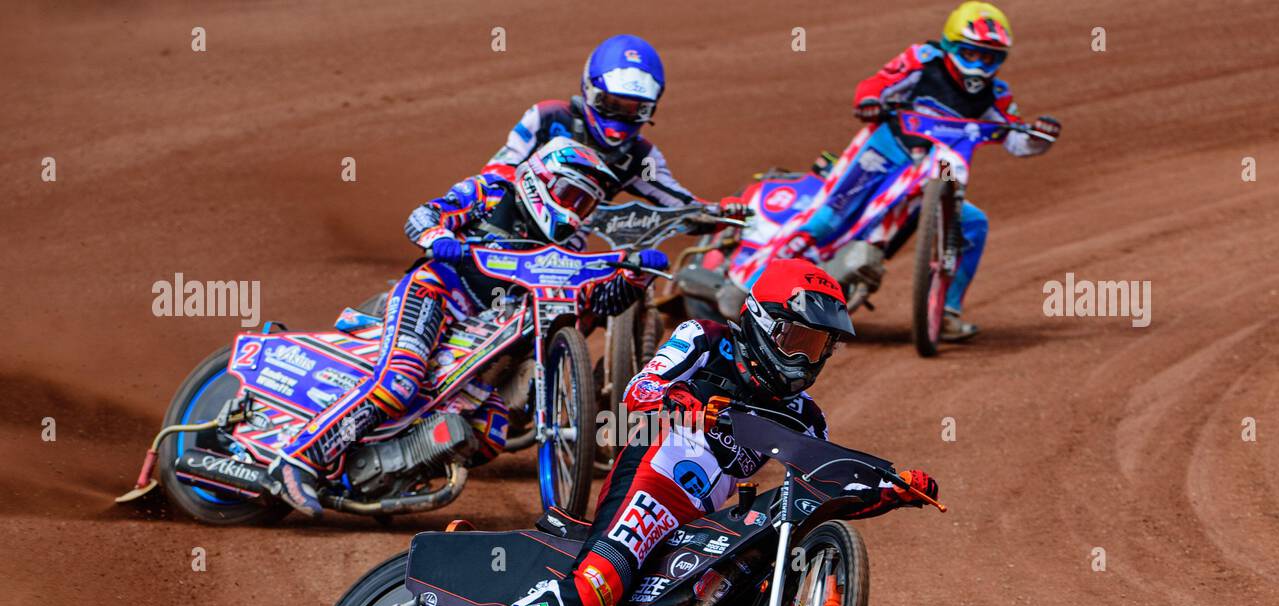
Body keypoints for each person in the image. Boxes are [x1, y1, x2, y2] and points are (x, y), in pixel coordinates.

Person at [419, 259, 939, 606]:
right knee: (599, 586)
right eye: (796, 339)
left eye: (819, 346)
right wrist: (681, 401)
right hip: (654, 476)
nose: (806, 358)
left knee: (760, 604)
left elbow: (822, 488)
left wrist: (888, 489)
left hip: (709, 515)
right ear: (761, 321)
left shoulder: (805, 416)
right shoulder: (705, 338)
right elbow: (639, 392)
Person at [266, 137, 669, 517]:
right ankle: (297, 459)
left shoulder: (566, 247)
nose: (574, 212)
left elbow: (593, 304)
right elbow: (424, 214)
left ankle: (384, 476)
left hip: (480, 336)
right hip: (437, 295)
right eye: (570, 197)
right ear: (541, 182)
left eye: (584, 205)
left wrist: (635, 277)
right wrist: (438, 236)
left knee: (490, 428)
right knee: (400, 381)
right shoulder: (493, 191)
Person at [729, 2, 1060, 342]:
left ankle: (945, 313)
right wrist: (870, 100)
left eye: (989, 58)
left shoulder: (996, 95)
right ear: (950, 45)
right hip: (884, 155)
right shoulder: (923, 60)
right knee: (825, 222)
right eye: (971, 54)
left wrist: (1042, 137)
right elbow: (877, 84)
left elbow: (1019, 139)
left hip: (932, 178)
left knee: (973, 224)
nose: (979, 65)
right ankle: (747, 288)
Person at [482, 34, 746, 218]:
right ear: (590, 89)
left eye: (633, 109)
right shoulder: (547, 117)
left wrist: (718, 212)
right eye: (611, 103)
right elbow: (497, 170)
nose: (618, 119)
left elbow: (679, 202)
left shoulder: (642, 157)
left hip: (565, 253)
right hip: (504, 227)